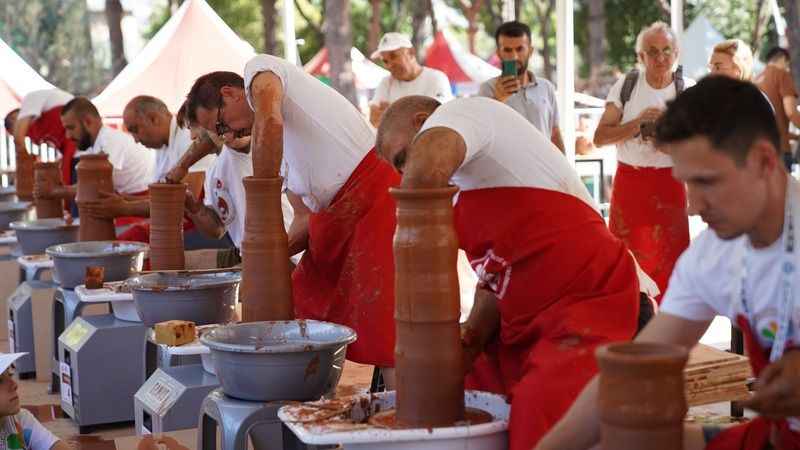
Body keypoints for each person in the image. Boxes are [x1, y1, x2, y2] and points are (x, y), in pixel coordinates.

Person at [538, 76, 800, 450]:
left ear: (763, 160)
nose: (692, 205)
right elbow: (632, 373)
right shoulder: (710, 257)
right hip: (776, 438)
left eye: (706, 182)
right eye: (686, 184)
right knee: (625, 438)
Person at [376, 95, 640, 450]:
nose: (405, 174)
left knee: (538, 410)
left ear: (422, 121)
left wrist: (410, 205)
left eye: (402, 158)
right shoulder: (457, 192)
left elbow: (423, 169)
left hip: (593, 302)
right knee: (457, 387)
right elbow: (495, 275)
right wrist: (471, 336)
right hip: (524, 322)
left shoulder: (465, 112)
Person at [182, 57, 401, 381]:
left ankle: (402, 405)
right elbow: (302, 219)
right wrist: (269, 256)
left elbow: (269, 119)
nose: (229, 134)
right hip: (336, 216)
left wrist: (262, 190)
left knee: (380, 319)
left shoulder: (261, 73)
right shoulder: (281, 148)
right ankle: (310, 389)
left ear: (229, 94)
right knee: (303, 295)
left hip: (374, 195)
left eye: (223, 125)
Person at [594, 21, 695, 301]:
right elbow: (599, 137)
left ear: (676, 54)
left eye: (667, 51)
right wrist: (637, 125)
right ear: (641, 57)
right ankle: (630, 323)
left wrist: (665, 138)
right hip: (631, 182)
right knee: (626, 260)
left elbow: (701, 147)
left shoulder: (687, 90)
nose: (661, 58)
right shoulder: (626, 86)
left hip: (670, 183)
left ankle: (668, 328)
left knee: (672, 261)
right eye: (653, 52)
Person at [79, 96, 215, 224]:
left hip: (201, 224)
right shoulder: (162, 146)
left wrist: (125, 208)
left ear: (153, 118)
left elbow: (184, 203)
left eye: (135, 129)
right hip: (182, 223)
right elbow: (161, 195)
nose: (136, 140)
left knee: (129, 242)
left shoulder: (188, 135)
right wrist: (125, 200)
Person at [35, 97, 154, 205]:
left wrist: (55, 191)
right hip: (126, 203)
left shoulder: (109, 141)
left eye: (71, 128)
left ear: (87, 122)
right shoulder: (97, 143)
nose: (67, 135)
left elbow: (95, 187)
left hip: (141, 206)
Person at [478, 21, 564, 152]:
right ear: (498, 53)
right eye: (507, 50)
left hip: (543, 168)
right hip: (507, 169)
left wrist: (565, 169)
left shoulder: (546, 87)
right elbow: (482, 133)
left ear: (530, 51)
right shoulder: (488, 89)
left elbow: (555, 133)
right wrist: (498, 100)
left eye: (520, 49)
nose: (514, 56)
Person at [368, 32, 453, 127]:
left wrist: (391, 114)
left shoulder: (436, 78)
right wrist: (415, 114)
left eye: (394, 56)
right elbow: (374, 119)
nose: (389, 65)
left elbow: (436, 117)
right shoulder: (386, 82)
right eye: (385, 61)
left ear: (411, 53)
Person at [4, 89, 76, 185]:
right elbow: (61, 150)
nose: (27, 135)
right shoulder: (36, 119)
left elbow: (18, 140)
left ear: (14, 119)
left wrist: (27, 163)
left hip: (80, 141)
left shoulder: (30, 100)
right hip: (75, 147)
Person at [0, 352, 70, 450]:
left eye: (10, 374)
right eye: (0, 381)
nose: (14, 385)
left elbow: (53, 445)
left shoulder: (20, 418)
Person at [755, 47, 800, 164]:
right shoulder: (782, 75)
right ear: (782, 59)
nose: (787, 68)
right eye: (787, 64)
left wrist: (796, 137)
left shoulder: (756, 80)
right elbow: (791, 112)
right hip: (780, 151)